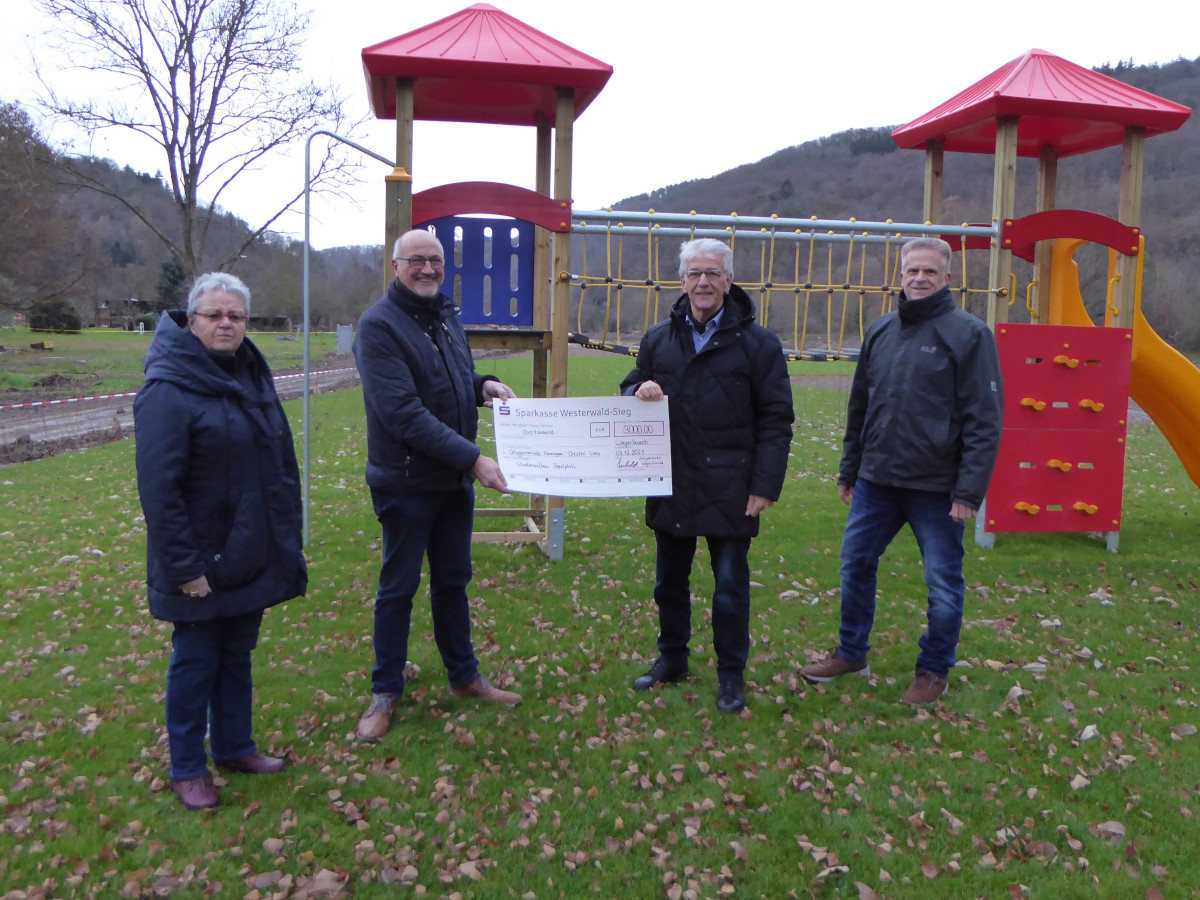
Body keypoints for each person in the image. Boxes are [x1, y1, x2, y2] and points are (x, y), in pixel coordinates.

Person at [800, 237, 1004, 705]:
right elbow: (861, 406)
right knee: (855, 565)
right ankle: (851, 653)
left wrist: (969, 492)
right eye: (912, 270)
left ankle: (934, 670)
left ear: (947, 278)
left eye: (929, 272)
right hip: (876, 481)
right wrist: (850, 468)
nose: (919, 278)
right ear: (900, 275)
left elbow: (985, 419)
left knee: (943, 584)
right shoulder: (881, 331)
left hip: (937, 489)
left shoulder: (969, 334)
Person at [134, 272, 307, 811]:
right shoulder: (168, 390)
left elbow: (273, 469)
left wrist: (278, 542)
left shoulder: (250, 377)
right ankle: (187, 766)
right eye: (214, 315)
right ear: (192, 321)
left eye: (235, 315)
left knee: (237, 655)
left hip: (246, 552)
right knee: (196, 660)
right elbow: (160, 491)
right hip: (199, 561)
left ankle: (235, 746)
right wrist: (186, 567)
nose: (226, 323)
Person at [353, 228, 521, 741]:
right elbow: (403, 412)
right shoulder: (378, 327)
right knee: (398, 588)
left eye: (436, 262)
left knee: (453, 582)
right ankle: (385, 691)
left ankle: (465, 677)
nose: (428, 269)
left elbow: (449, 380)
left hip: (450, 482)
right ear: (397, 265)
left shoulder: (446, 317)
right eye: (417, 261)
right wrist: (474, 460)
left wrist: (482, 386)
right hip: (405, 482)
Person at [620, 238, 794, 714]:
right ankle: (672, 659)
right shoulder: (659, 339)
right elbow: (630, 384)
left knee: (731, 587)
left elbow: (777, 419)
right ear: (682, 282)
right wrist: (639, 387)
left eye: (713, 273)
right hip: (671, 481)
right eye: (695, 273)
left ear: (728, 281)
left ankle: (731, 677)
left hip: (732, 487)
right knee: (668, 585)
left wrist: (765, 485)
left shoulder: (759, 345)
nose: (703, 282)